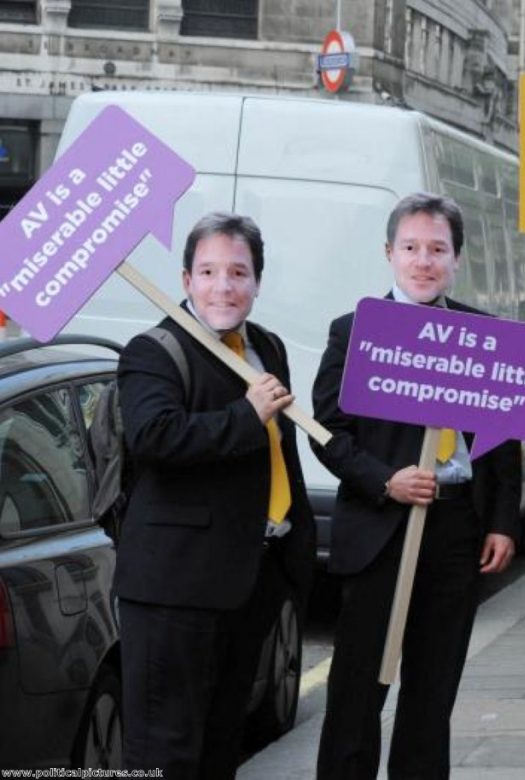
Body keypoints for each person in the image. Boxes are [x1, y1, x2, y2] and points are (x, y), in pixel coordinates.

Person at [312, 192, 521, 779]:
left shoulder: (485, 336)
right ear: (389, 253)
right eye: (411, 248)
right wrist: (386, 480)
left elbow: (502, 440)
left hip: (455, 534)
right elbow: (327, 431)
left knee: (432, 697)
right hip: (380, 531)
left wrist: (503, 520)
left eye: (437, 249)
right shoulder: (353, 332)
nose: (423, 261)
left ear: (456, 258)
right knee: (356, 696)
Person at [116, 212, 315, 778]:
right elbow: (156, 437)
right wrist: (245, 415)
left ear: (257, 281)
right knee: (165, 753)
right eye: (208, 271)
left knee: (221, 747)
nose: (223, 286)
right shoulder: (154, 351)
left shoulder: (266, 348)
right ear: (185, 281)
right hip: (174, 589)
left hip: (248, 582)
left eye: (238, 272)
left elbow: (285, 453)